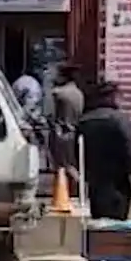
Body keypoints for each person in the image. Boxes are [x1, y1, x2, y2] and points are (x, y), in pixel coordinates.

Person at [77, 80, 131, 220]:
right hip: (118, 184)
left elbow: (77, 152)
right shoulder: (120, 119)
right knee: (115, 228)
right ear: (111, 97)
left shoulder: (84, 121)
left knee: (98, 224)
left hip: (95, 184)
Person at [50, 63, 84, 195]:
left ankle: (77, 188)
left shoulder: (58, 93)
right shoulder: (78, 93)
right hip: (74, 132)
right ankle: (72, 192)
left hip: (61, 133)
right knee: (71, 163)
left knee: (63, 166)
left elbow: (50, 114)